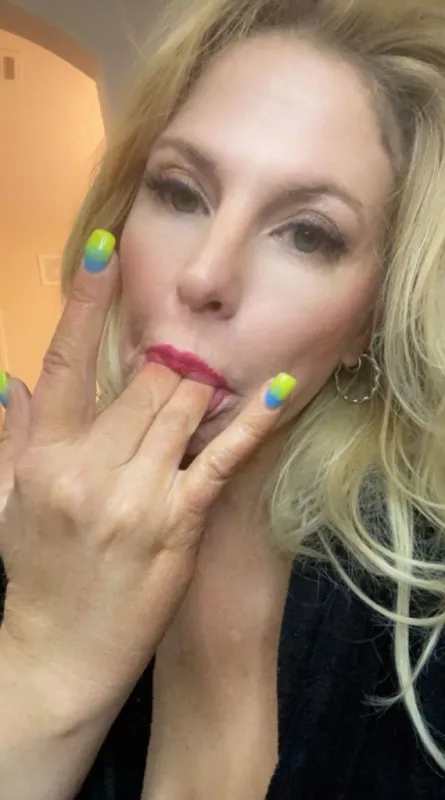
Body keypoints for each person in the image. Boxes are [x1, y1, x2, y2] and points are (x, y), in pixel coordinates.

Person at [1, 0, 445, 796]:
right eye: (180, 192)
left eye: (307, 234)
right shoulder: (27, 520)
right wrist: (44, 656)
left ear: (368, 320)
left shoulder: (423, 620)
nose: (204, 274)